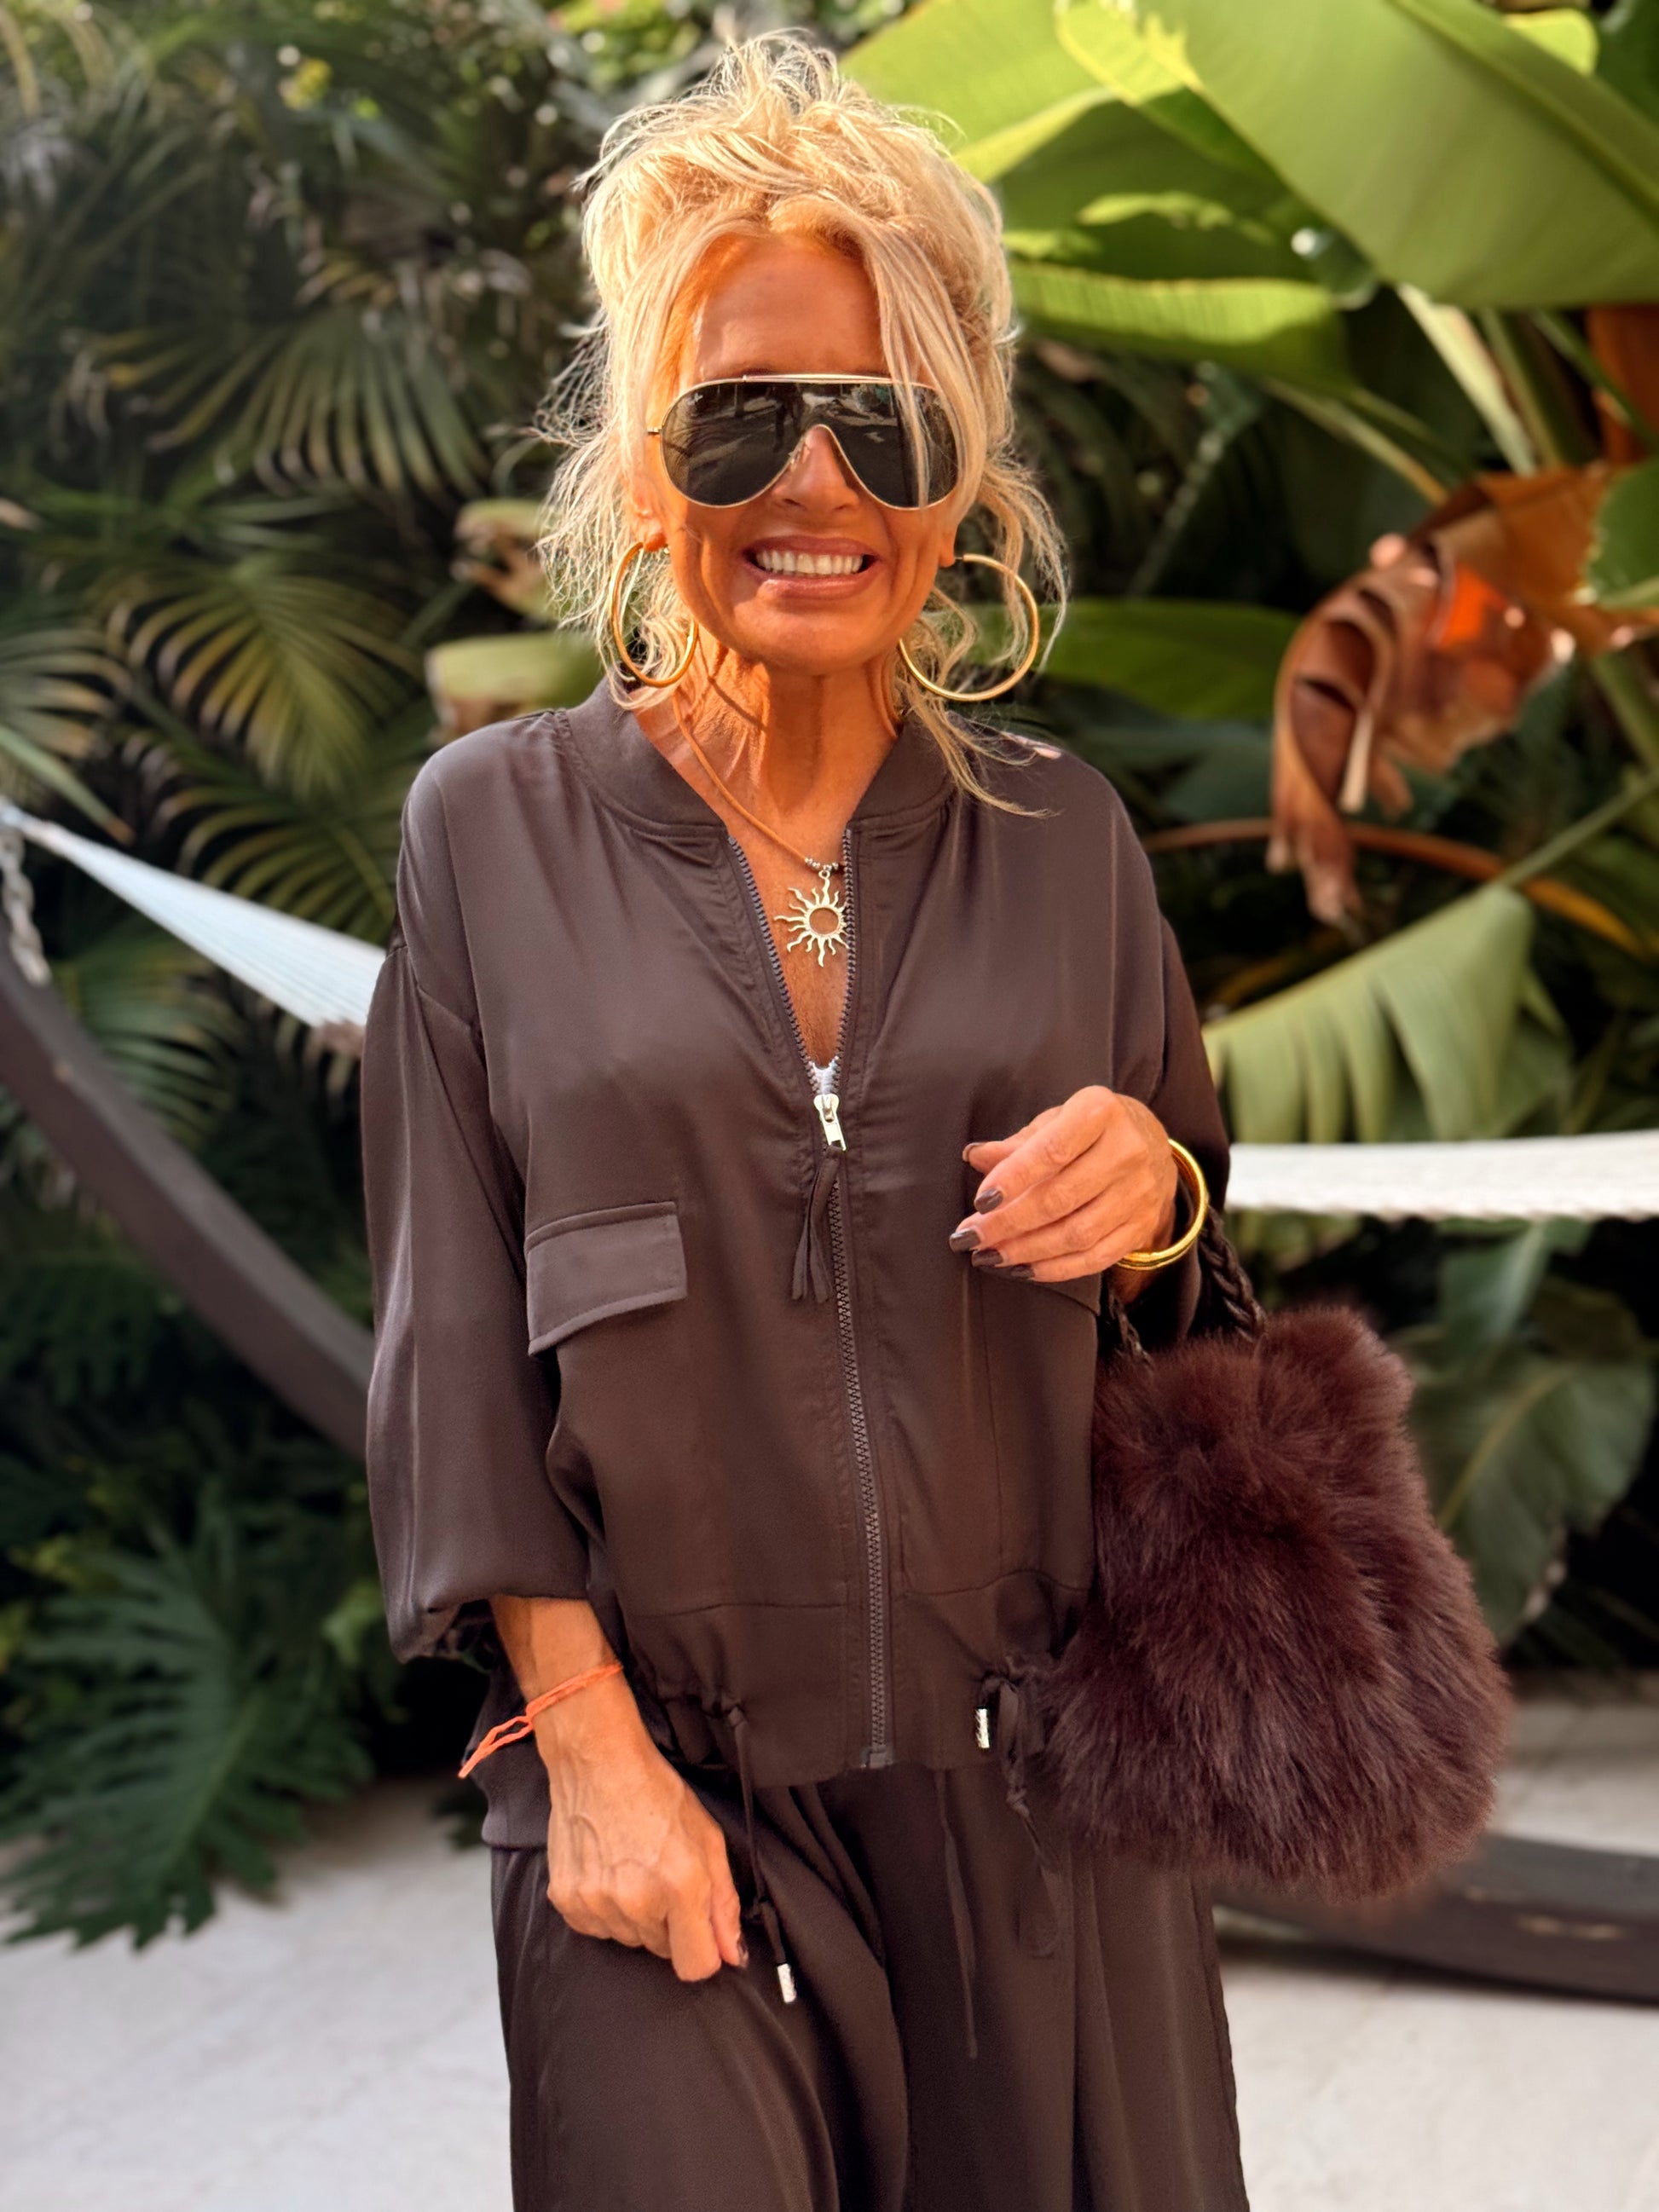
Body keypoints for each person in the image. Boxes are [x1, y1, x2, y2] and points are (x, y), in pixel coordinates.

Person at [361, 36, 1247, 2212]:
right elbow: (451, 1345)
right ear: (647, 459)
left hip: (1041, 1806)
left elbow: (1204, 1299)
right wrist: (587, 1756)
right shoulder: (488, 835)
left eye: (883, 419)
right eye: (742, 416)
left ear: (963, 471)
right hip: (663, 1788)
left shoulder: (1067, 840)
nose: (815, 480)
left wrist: (1152, 1189)